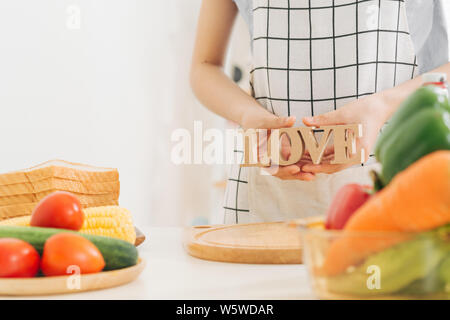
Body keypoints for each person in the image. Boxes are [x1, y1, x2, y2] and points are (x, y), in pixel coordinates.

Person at [190, 0, 450, 224]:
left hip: (398, 185)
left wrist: (383, 105)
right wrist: (248, 115)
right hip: (266, 201)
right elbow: (204, 66)